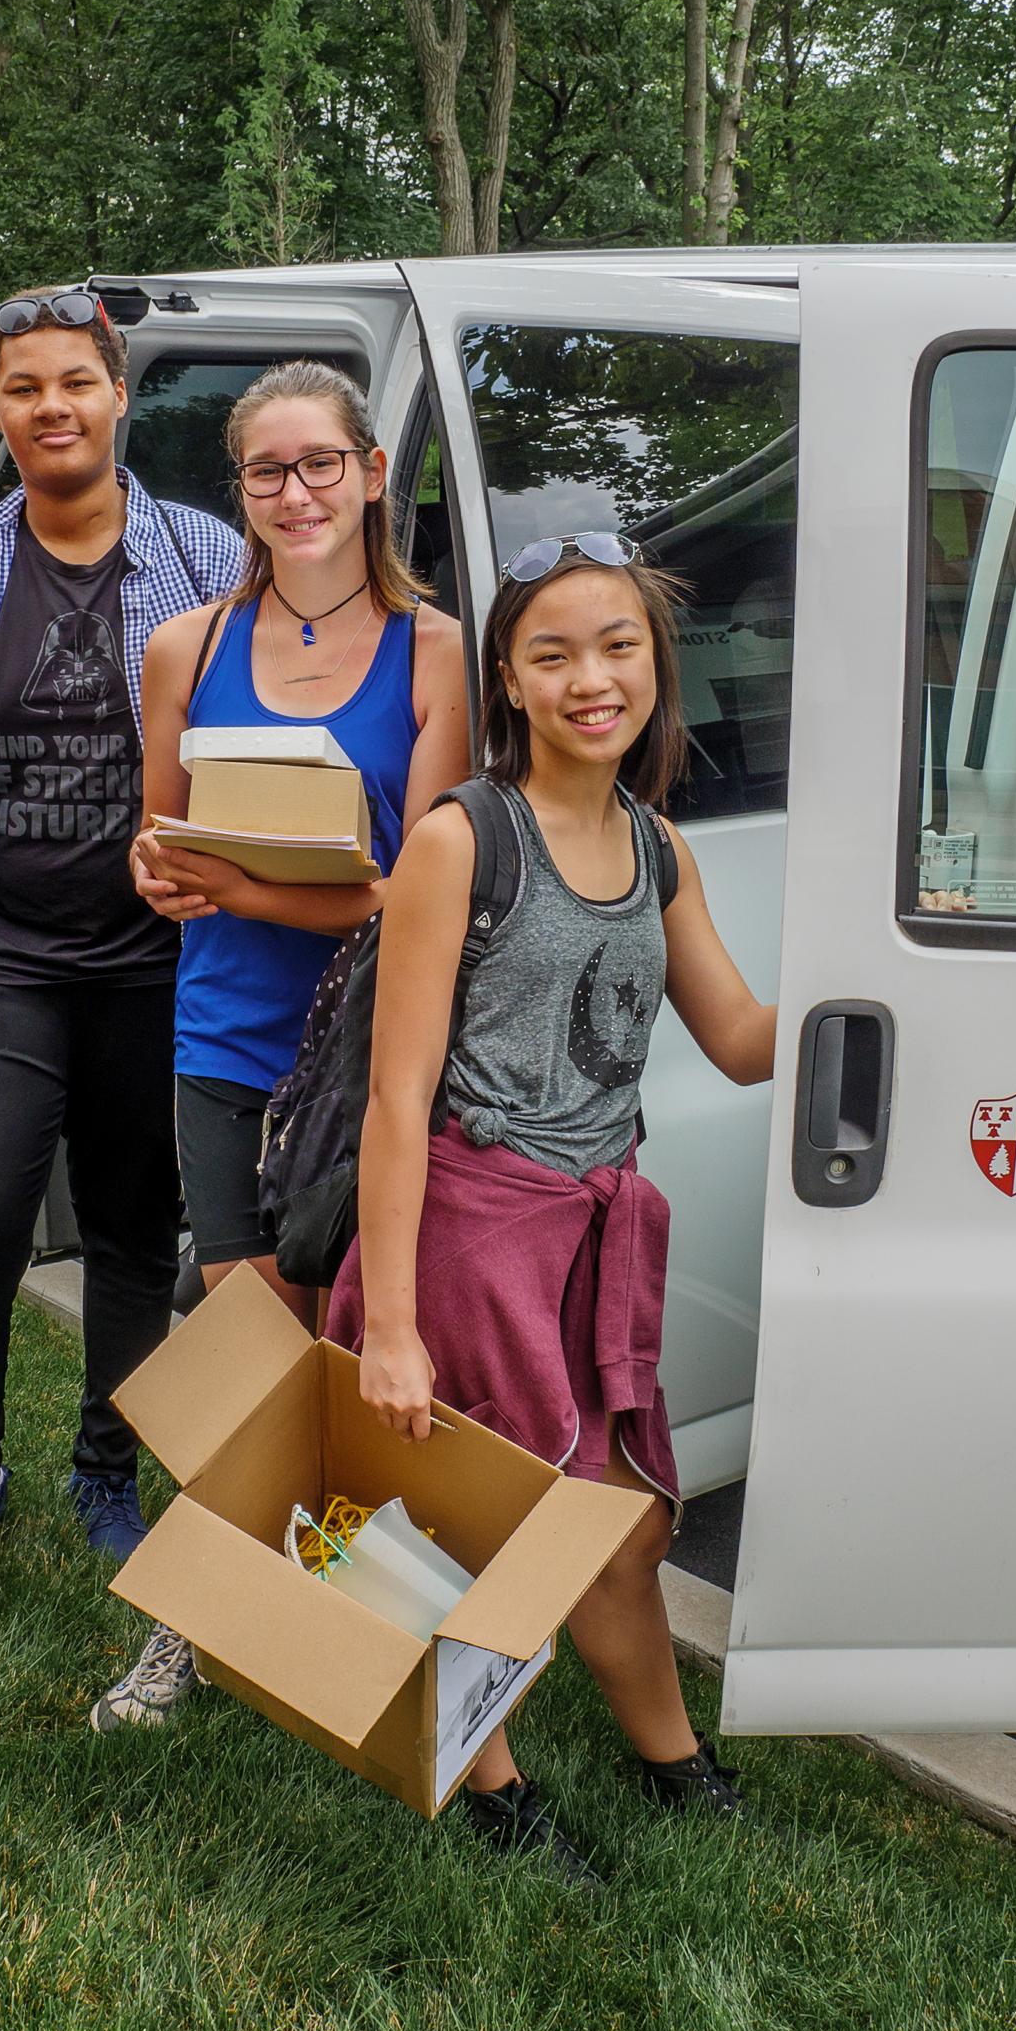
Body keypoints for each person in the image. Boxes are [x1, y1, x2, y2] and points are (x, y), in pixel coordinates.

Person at [335, 533, 778, 1881]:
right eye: (555, 653)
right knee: (464, 1522)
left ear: (657, 661)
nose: (594, 677)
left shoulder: (658, 850)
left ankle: (673, 1764)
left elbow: (745, 1036)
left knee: (626, 1523)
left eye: (620, 646)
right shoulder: (465, 839)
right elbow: (395, 1100)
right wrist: (393, 1325)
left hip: (593, 1231)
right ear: (512, 684)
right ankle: (494, 1786)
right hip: (473, 1232)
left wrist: (885, 975)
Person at [85, 361, 466, 1731]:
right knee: (249, 1343)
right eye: (266, 471)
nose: (295, 493)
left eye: (320, 464)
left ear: (372, 470)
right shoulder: (187, 644)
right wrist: (163, 868)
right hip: (225, 1035)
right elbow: (158, 836)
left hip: (368, 1055)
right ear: (239, 491)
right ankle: (196, 1628)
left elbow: (424, 882)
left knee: (349, 1342)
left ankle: (364, 1622)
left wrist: (240, 885)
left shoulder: (436, 655)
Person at [0, 287, 240, 1559]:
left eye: (75, 380)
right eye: (24, 387)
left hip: (159, 969)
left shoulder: (209, 566)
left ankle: (106, 1471)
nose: (52, 406)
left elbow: (265, 754)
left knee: (136, 1229)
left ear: (119, 393)